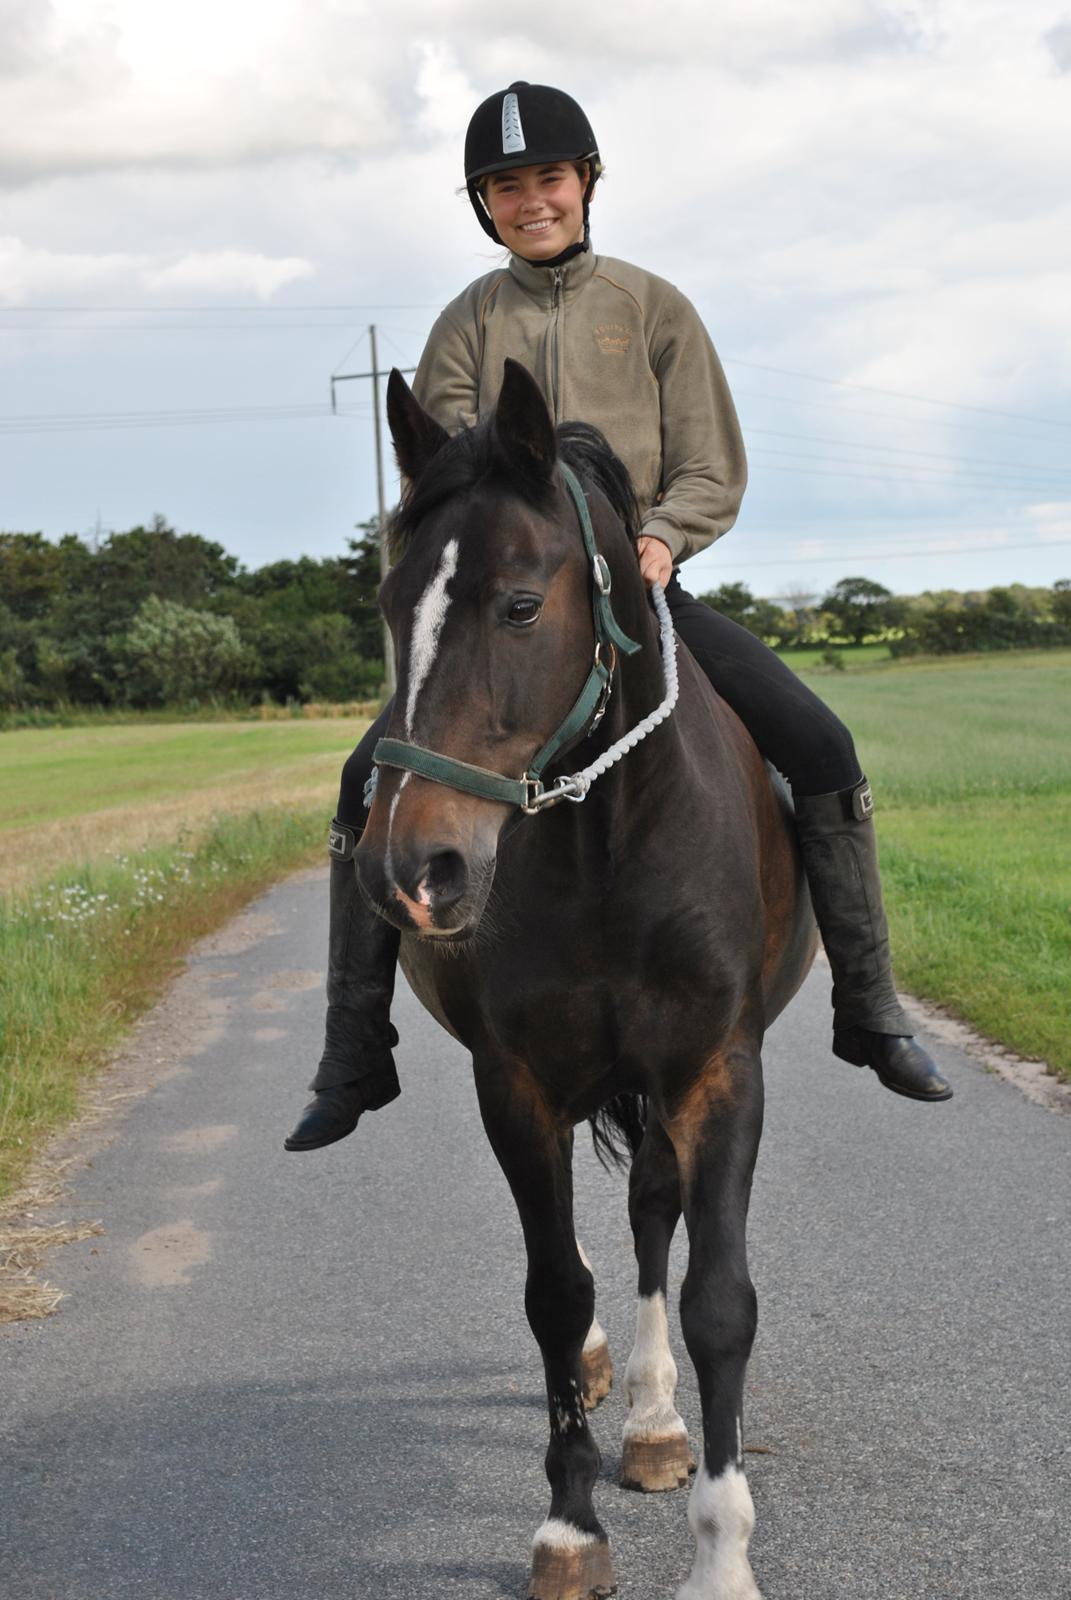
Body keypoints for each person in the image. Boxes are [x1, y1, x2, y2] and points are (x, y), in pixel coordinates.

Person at [284, 81, 951, 1152]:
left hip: (644, 593)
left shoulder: (654, 309)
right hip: (514, 619)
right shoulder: (467, 323)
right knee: (368, 777)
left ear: (586, 182)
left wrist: (666, 535)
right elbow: (451, 481)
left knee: (821, 743)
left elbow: (708, 463)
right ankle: (354, 1048)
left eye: (547, 177)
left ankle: (869, 1009)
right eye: (505, 188)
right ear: (483, 205)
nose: (530, 201)